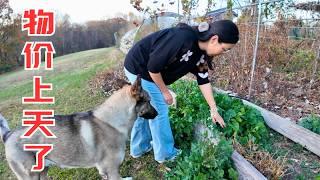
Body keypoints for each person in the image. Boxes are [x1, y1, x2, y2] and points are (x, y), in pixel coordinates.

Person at [124, 20, 239, 163]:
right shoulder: (183, 38)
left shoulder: (201, 54)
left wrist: (213, 109)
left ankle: (139, 148)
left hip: (144, 69)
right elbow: (153, 67)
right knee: (159, 110)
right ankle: (165, 154)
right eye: (225, 49)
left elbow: (203, 80)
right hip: (140, 69)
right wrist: (165, 92)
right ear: (214, 39)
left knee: (144, 108)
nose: (224, 53)